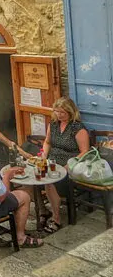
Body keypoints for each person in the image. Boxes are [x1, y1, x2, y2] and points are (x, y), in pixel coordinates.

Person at [39, 97, 90, 233]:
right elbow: (48, 142)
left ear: (70, 112)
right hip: (52, 160)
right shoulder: (54, 124)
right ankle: (44, 211)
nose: (59, 115)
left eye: (62, 112)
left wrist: (69, 164)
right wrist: (44, 154)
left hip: (69, 163)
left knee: (48, 181)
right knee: (33, 176)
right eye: (57, 112)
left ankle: (56, 219)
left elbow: (85, 151)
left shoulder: (77, 128)